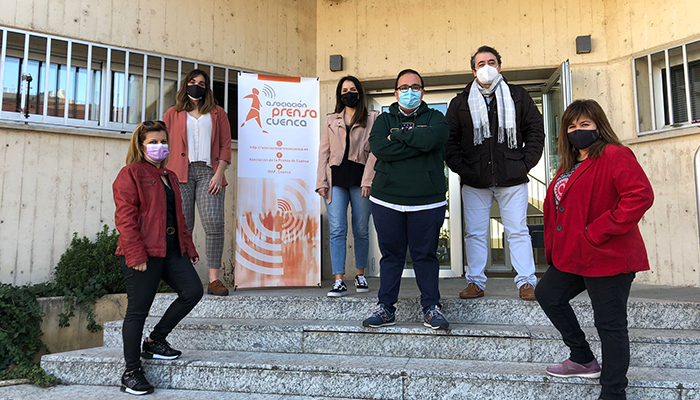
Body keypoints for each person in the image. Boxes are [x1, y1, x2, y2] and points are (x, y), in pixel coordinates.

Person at [535, 100, 654, 400]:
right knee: (548, 294)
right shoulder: (569, 163)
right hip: (574, 255)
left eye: (585, 124)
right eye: (572, 126)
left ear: (599, 126)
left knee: (610, 325)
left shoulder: (615, 155)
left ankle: (613, 392)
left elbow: (639, 196)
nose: (578, 130)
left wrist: (598, 229)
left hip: (607, 255)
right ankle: (582, 358)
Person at [445, 45, 544, 301]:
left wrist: (523, 164)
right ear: (473, 70)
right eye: (481, 64)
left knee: (518, 231)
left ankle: (526, 282)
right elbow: (449, 141)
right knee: (475, 233)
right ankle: (475, 282)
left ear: (500, 66)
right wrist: (464, 169)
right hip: (475, 180)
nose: (486, 67)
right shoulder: (460, 102)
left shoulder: (518, 96)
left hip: (512, 177)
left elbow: (535, 131)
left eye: (491, 62)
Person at [113, 121, 204, 396]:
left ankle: (155, 341)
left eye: (163, 141)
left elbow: (178, 217)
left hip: (172, 250)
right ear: (141, 146)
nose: (159, 146)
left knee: (193, 291)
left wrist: (188, 247)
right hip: (145, 252)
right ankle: (131, 372)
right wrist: (135, 253)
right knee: (137, 311)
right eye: (153, 142)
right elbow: (125, 218)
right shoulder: (130, 173)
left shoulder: (170, 176)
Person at [362, 69, 450, 330]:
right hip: (387, 200)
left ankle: (431, 308)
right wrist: (419, 145)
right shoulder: (383, 120)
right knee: (391, 256)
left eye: (415, 87)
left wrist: (399, 136)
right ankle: (386, 308)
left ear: (423, 92)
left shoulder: (436, 118)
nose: (409, 91)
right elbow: (380, 148)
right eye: (404, 87)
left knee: (425, 256)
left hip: (428, 201)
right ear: (395, 92)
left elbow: (434, 139)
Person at [163, 69, 232, 296]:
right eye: (193, 82)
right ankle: (186, 279)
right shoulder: (172, 113)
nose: (197, 86)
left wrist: (219, 174)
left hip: (209, 172)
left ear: (206, 87)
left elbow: (225, 145)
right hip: (179, 174)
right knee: (183, 226)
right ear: (186, 84)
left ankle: (214, 279)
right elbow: (163, 144)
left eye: (201, 83)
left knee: (214, 223)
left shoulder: (218, 113)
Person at [316, 76, 379, 297]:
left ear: (359, 92)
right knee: (337, 229)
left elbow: (375, 152)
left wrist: (368, 180)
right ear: (339, 95)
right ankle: (339, 280)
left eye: (352, 89)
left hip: (361, 180)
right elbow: (323, 152)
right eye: (344, 90)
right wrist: (321, 182)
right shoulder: (331, 120)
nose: (348, 93)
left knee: (361, 229)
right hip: (336, 180)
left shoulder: (372, 118)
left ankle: (360, 275)